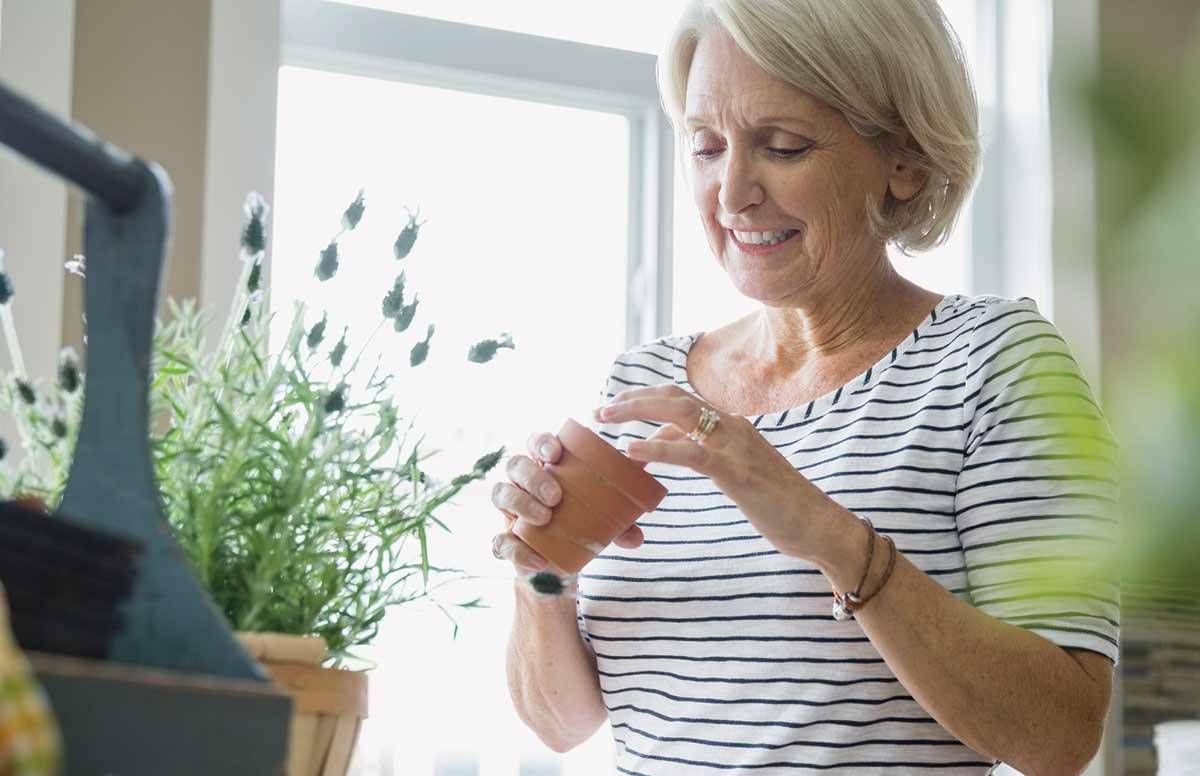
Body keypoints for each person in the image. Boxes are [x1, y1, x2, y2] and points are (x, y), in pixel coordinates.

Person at [491, 1, 1119, 772]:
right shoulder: (643, 381)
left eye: (782, 147)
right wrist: (540, 571)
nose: (730, 194)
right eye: (706, 147)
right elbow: (562, 724)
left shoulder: (992, 362)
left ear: (904, 159)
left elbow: (1061, 735)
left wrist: (826, 536)